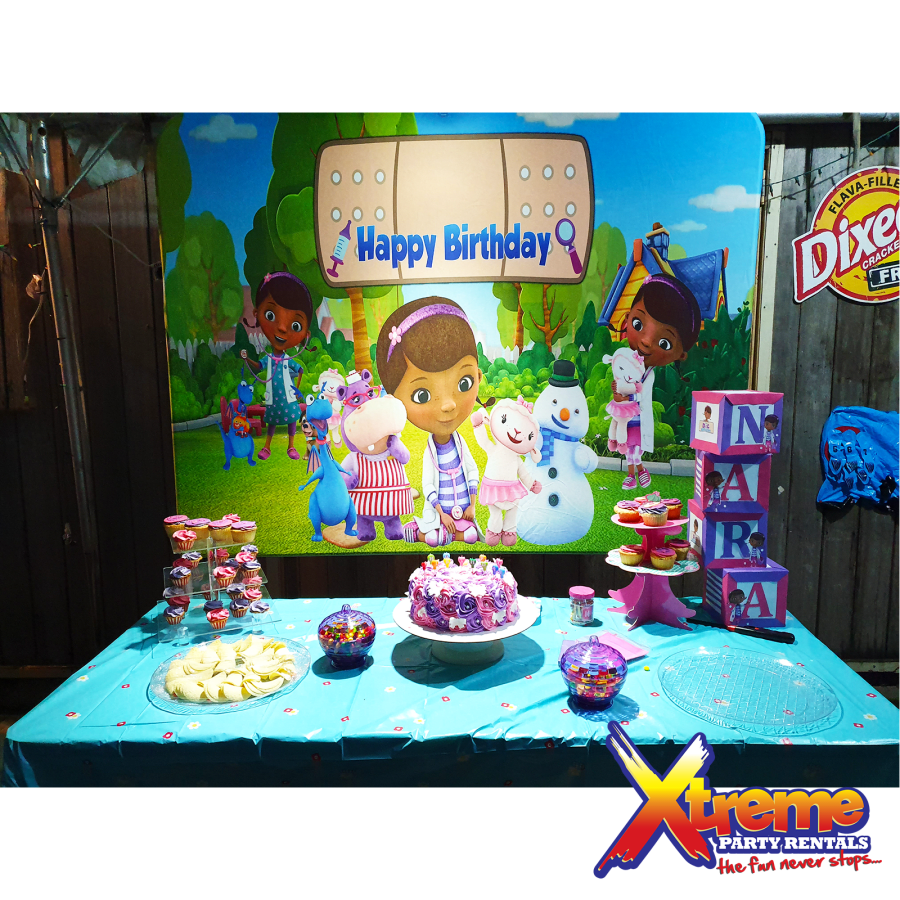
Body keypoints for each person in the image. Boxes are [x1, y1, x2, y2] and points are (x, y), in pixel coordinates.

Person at [376, 297, 484, 546]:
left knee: (469, 536)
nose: (448, 405)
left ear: (478, 376)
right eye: (422, 395)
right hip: (440, 511)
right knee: (434, 540)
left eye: (464, 382)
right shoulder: (430, 452)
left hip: (462, 509)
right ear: (396, 401)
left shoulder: (460, 445)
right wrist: (441, 514)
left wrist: (472, 505)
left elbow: (471, 471)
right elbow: (428, 484)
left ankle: (449, 530)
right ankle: (419, 531)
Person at [613, 274, 702, 490]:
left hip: (637, 419)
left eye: (664, 343)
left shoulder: (650, 375)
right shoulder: (624, 360)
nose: (646, 341)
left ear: (682, 355)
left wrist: (627, 391)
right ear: (627, 318)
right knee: (629, 446)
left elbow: (638, 390)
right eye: (638, 324)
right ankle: (635, 473)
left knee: (635, 447)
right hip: (626, 416)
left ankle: (638, 471)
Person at [241, 273, 313, 461]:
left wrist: (296, 389)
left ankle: (291, 446)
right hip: (273, 397)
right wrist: (247, 359)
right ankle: (267, 447)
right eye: (271, 316)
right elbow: (259, 366)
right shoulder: (269, 358)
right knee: (272, 421)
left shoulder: (288, 359)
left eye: (295, 325)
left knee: (291, 420)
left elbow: (300, 370)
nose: (281, 328)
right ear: (257, 314)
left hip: (288, 397)